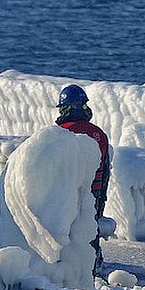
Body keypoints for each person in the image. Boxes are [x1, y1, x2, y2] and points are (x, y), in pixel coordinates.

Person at [56, 84, 112, 275]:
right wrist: (101, 197)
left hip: (66, 193)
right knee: (90, 230)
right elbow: (105, 169)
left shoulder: (60, 133)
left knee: (66, 231)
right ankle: (92, 266)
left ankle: (65, 268)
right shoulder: (99, 134)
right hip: (94, 192)